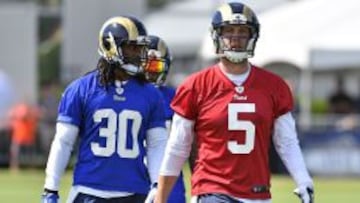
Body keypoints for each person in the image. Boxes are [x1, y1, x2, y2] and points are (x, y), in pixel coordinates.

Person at [153, 2, 314, 203]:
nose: (235, 38)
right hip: (212, 189)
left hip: (258, 193)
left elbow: (287, 141)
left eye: (242, 32)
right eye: (229, 31)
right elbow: (178, 146)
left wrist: (304, 179)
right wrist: (161, 198)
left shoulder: (274, 86)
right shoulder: (196, 86)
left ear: (252, 36)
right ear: (216, 36)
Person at [41, 16, 168, 203]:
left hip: (134, 193)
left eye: (140, 48)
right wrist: (50, 188)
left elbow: (157, 144)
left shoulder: (150, 94)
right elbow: (63, 142)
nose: (138, 53)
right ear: (111, 47)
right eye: (132, 47)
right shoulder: (81, 89)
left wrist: (157, 185)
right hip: (88, 191)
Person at [143, 35, 186, 203]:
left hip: (167, 177)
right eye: (146, 64)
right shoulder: (126, 96)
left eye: (156, 65)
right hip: (133, 175)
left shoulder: (176, 98)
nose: (150, 70)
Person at [8, 101, 40, 170]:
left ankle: (32, 167)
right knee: (15, 154)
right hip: (18, 137)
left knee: (30, 154)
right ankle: (14, 167)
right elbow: (13, 117)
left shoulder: (31, 114)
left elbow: (35, 118)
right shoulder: (18, 114)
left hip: (28, 137)